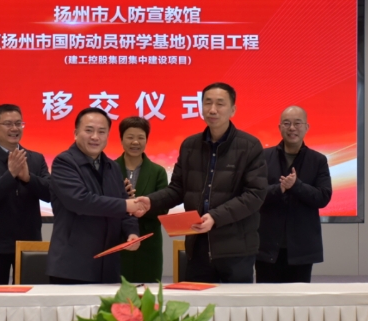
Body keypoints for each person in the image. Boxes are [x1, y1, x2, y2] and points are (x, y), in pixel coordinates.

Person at [136, 82, 268, 283]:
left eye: (220, 104)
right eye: (207, 103)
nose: (212, 109)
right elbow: (178, 188)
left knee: (233, 303)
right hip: (197, 246)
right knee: (197, 302)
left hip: (236, 249)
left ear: (233, 110)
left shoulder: (249, 146)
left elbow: (255, 194)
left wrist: (215, 217)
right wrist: (151, 201)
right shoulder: (190, 145)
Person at [47, 107, 143, 284]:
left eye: (101, 132)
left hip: (108, 266)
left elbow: (124, 207)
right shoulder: (64, 163)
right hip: (72, 267)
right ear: (76, 133)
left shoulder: (112, 167)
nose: (95, 137)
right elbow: (81, 201)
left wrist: (132, 233)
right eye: (89, 130)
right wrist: (126, 205)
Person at [0, 104, 51, 285]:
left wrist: (28, 178)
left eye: (18, 123)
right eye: (8, 124)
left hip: (29, 240)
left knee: (31, 292)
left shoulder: (36, 158)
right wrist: (11, 174)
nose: (14, 128)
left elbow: (50, 193)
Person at [255, 106, 332, 283]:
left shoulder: (318, 160)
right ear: (279, 127)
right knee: (267, 297)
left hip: (302, 248)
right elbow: (254, 194)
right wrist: (279, 189)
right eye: (287, 123)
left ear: (306, 127)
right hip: (267, 245)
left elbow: (323, 197)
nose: (292, 128)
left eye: (297, 123)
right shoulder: (264, 157)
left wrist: (297, 186)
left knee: (298, 298)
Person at [115, 116, 169, 283]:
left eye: (141, 137)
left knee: (148, 292)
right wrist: (122, 200)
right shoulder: (110, 169)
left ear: (146, 140)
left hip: (148, 244)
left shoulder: (158, 172)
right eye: (130, 137)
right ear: (121, 139)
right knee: (115, 292)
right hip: (117, 241)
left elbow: (164, 206)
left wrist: (138, 205)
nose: (135, 142)